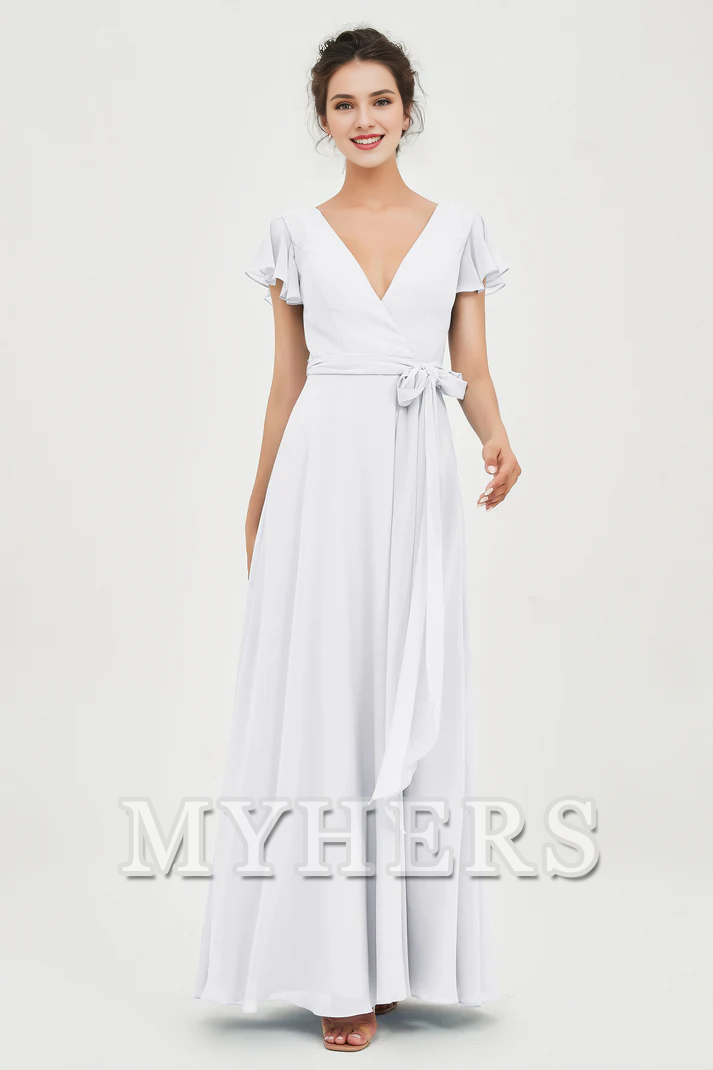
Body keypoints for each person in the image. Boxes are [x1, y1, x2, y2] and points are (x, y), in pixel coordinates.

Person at [194, 25, 521, 1053]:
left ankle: (404, 960)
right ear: (323, 119)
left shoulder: (457, 227)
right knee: (327, 696)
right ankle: (337, 969)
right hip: (322, 477)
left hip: (415, 473)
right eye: (344, 104)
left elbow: (470, 361)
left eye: (380, 100)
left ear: (407, 110)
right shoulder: (294, 234)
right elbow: (285, 380)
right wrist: (259, 499)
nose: (364, 119)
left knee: (411, 690)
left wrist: (496, 437)